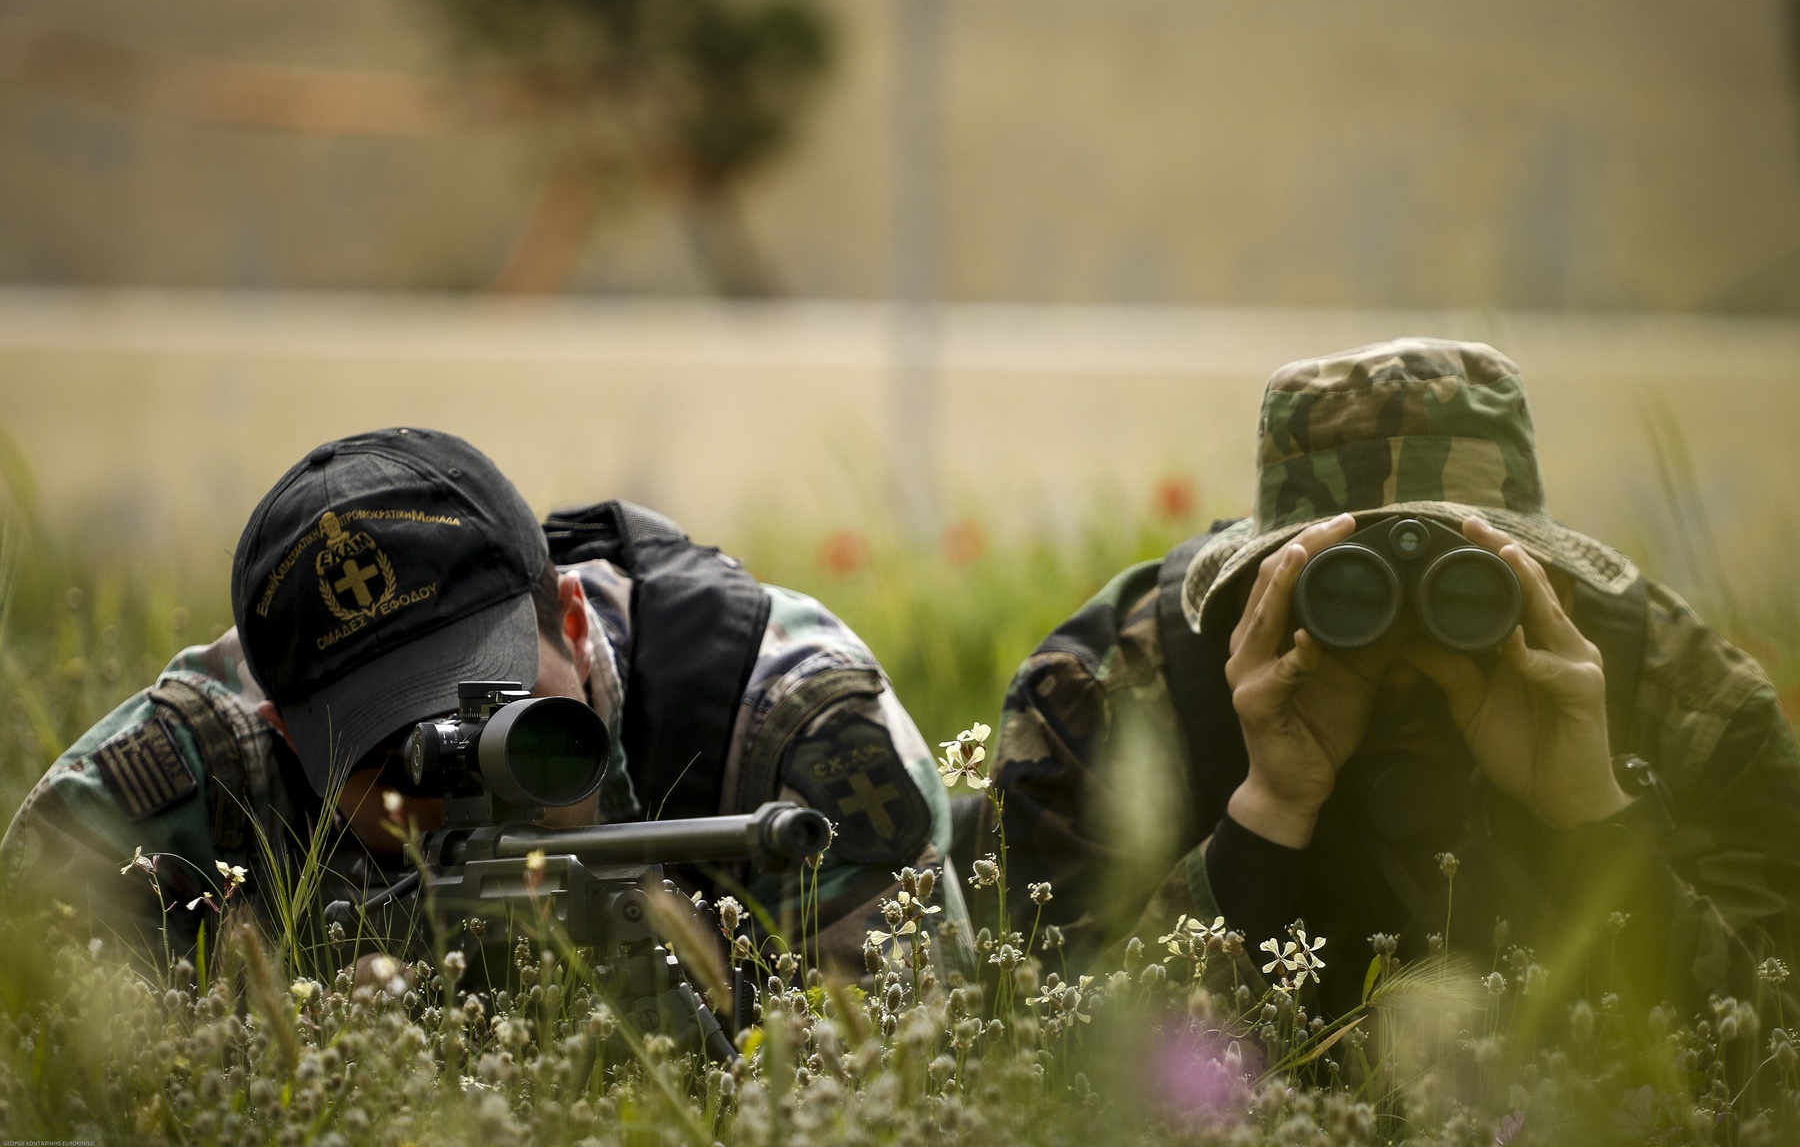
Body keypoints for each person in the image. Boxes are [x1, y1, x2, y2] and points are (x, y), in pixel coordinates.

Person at [977, 339, 1800, 1013]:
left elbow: (1775, 1063)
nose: (1404, 665)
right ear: (1259, 594)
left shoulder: (1688, 705)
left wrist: (1593, 814)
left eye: (1467, 595)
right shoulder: (1107, 700)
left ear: (1551, 584)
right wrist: (1264, 815)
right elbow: (1042, 1073)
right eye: (1346, 596)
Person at [0, 428, 956, 968]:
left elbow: (918, 1067)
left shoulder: (779, 714)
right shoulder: (155, 794)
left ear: (574, 626)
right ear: (282, 729)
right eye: (393, 763)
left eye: (509, 715)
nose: (469, 788)